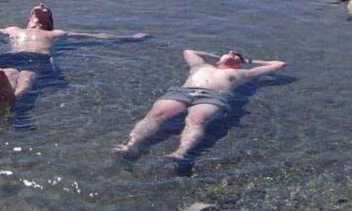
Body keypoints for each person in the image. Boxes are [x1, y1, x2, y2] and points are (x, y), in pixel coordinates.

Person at [0, 3, 147, 103]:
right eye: (38, 6)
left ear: (48, 20)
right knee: (7, 71)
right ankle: (7, 90)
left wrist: (129, 37)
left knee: (27, 77)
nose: (42, 4)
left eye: (46, 8)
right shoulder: (13, 30)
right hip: (13, 56)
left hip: (38, 58)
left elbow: (92, 36)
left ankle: (13, 96)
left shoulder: (55, 33)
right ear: (30, 17)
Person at [113, 49, 285, 163]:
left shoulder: (243, 73)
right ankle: (130, 145)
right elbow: (188, 51)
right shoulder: (200, 65)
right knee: (156, 114)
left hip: (214, 96)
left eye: (236, 57)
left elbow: (278, 64)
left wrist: (246, 60)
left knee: (196, 120)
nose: (232, 55)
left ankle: (180, 152)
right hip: (184, 91)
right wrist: (218, 56)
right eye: (229, 53)